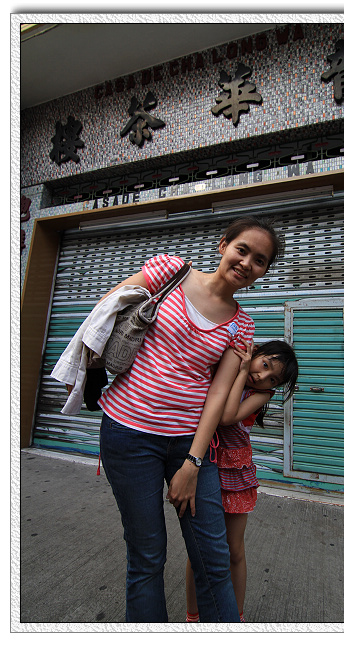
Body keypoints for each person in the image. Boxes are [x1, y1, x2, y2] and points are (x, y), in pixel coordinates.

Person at [95, 216, 285, 622]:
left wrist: (193, 462)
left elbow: (218, 396)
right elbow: (107, 309)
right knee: (147, 556)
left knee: (214, 559)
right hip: (127, 433)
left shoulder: (242, 325)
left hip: (189, 442)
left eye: (260, 260)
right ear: (223, 245)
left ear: (264, 271)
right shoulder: (170, 271)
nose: (247, 262)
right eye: (242, 249)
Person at [185, 339, 298, 623]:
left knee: (234, 550)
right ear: (256, 353)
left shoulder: (262, 395)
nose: (262, 377)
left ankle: (236, 617)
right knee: (199, 550)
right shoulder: (228, 366)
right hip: (207, 464)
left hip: (236, 473)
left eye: (272, 378)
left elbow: (227, 416)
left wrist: (245, 369)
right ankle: (192, 616)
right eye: (264, 365)